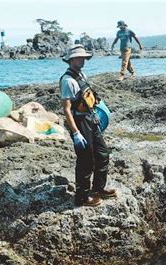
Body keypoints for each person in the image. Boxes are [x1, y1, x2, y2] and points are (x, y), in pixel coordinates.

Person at [60, 44, 117, 207]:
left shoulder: (81, 75)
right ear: (71, 60)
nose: (82, 60)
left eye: (84, 57)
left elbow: (89, 94)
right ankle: (82, 197)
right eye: (79, 57)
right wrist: (76, 132)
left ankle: (98, 188)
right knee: (85, 160)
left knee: (102, 153)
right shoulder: (67, 81)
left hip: (91, 119)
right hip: (80, 122)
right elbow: (67, 109)